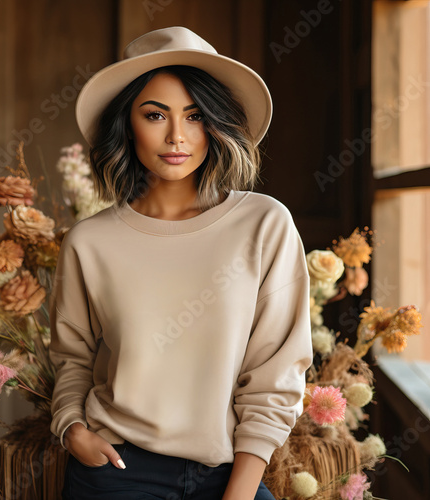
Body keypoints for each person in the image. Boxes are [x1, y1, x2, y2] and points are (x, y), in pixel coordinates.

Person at [49, 26, 313, 500]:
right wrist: (72, 428)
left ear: (216, 123)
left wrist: (238, 493)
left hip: (229, 472)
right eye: (155, 115)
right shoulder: (89, 242)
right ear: (126, 123)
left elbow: (277, 373)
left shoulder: (264, 224)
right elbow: (72, 359)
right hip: (116, 471)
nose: (177, 136)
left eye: (195, 116)